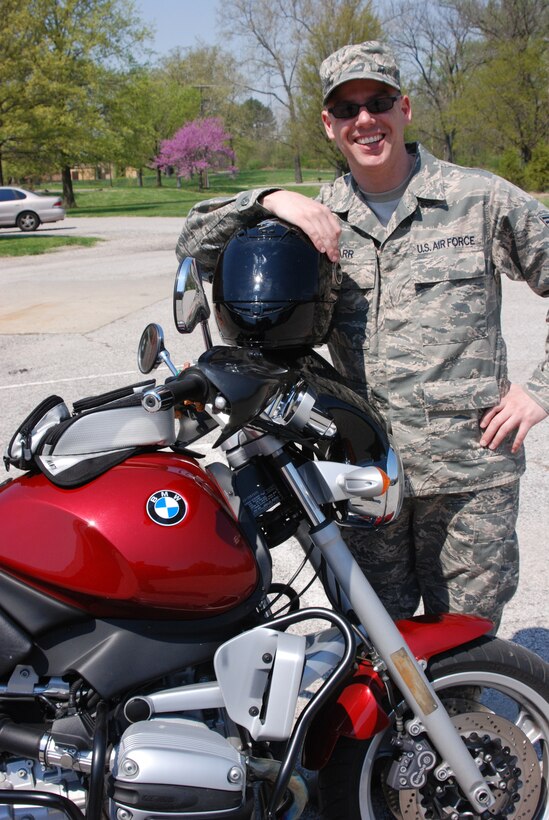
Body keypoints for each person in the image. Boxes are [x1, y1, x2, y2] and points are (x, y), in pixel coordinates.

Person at [176, 41, 549, 629]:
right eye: (347, 110)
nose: (365, 120)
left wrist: (539, 392)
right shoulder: (316, 215)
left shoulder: (479, 199)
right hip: (360, 469)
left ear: (405, 108)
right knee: (377, 641)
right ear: (329, 125)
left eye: (378, 102)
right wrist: (268, 199)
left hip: (469, 473)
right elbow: (194, 241)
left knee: (467, 639)